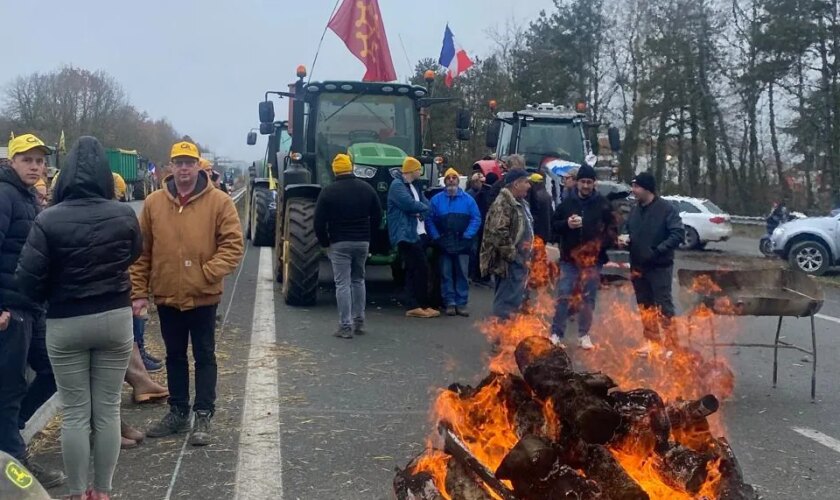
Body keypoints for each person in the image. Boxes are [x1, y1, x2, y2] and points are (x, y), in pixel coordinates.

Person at [15, 136, 142, 500]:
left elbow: (27, 279)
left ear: (65, 175)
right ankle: (101, 491)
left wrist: (50, 293)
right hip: (115, 317)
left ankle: (74, 491)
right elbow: (134, 253)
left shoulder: (48, 219)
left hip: (66, 321)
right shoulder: (123, 214)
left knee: (74, 413)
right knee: (106, 410)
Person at [131, 141, 244, 446]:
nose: (183, 168)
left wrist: (206, 273)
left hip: (203, 296)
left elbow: (233, 245)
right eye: (178, 163)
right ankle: (179, 411)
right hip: (167, 296)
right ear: (170, 167)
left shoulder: (219, 202)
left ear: (198, 166)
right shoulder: (154, 204)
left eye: (189, 163)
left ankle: (204, 413)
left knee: (205, 355)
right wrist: (139, 292)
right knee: (175, 356)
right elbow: (142, 252)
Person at [0, 133, 65, 488]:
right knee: (8, 388)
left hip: (32, 307)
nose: (36, 166)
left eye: (40, 160)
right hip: (10, 311)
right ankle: (16, 464)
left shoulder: (28, 198)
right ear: (13, 162)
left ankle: (8, 434)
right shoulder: (5, 195)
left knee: (51, 370)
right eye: (28, 160)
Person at [549, 164, 617, 350]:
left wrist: (598, 244)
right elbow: (553, 225)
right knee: (564, 295)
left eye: (589, 182)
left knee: (588, 298)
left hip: (593, 261)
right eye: (583, 182)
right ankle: (556, 333)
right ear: (577, 183)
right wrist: (566, 225)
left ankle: (584, 334)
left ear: (594, 183)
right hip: (569, 260)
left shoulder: (603, 204)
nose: (586, 186)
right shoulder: (567, 203)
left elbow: (613, 231)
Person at [314, 154, 382, 338]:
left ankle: (345, 326)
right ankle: (359, 321)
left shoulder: (328, 191)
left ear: (335, 170)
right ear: (350, 168)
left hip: (339, 243)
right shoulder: (366, 189)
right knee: (358, 280)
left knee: (342, 283)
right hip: (362, 242)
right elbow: (377, 215)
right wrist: (370, 236)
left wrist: (325, 243)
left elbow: (318, 222)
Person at [624, 171, 684, 356]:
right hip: (638, 266)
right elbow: (629, 230)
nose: (633, 190)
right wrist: (625, 239)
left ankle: (671, 345)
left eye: (636, 186)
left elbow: (677, 234)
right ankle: (652, 343)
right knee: (645, 306)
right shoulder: (635, 209)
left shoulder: (666, 209)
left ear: (647, 188)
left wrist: (657, 250)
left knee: (663, 306)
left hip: (660, 267)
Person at [388, 157, 440, 318]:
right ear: (412, 170)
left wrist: (418, 210)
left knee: (413, 270)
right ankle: (418, 305)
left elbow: (425, 205)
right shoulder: (397, 185)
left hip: (417, 232)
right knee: (420, 268)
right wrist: (416, 209)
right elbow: (408, 204)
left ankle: (416, 304)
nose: (420, 172)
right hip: (406, 234)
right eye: (418, 169)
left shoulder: (414, 185)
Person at [427, 168, 482, 317]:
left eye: (454, 178)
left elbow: (476, 218)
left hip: (463, 242)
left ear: (458, 181)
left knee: (462, 274)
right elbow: (429, 219)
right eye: (448, 178)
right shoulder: (436, 200)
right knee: (446, 274)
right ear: (445, 182)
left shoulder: (468, 200)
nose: (451, 180)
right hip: (444, 243)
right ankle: (449, 302)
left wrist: (468, 235)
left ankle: (461, 303)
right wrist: (436, 237)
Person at [480, 169, 534, 320]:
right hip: (509, 263)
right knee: (506, 301)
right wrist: (513, 255)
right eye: (526, 182)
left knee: (517, 299)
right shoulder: (503, 203)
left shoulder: (521, 203)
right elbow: (498, 232)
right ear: (516, 184)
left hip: (521, 261)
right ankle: (501, 338)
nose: (529, 186)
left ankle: (510, 336)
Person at [466, 172, 492, 285]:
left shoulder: (483, 193)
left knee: (476, 251)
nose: (483, 184)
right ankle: (471, 274)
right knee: (473, 251)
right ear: (474, 182)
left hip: (480, 227)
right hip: (474, 227)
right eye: (480, 182)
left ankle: (474, 274)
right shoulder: (470, 195)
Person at [528, 173, 554, 243]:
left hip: (537, 233)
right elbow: (552, 215)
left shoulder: (536, 197)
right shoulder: (547, 195)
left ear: (534, 183)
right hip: (545, 233)